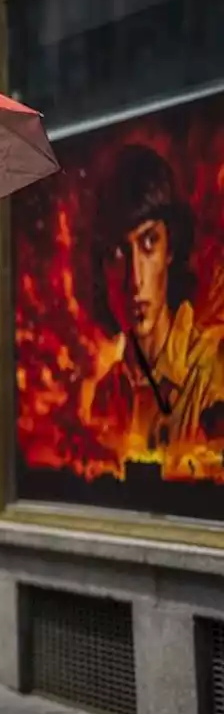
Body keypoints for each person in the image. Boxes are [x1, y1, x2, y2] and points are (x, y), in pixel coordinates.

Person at [88, 145, 224, 476]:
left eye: (149, 243)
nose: (135, 278)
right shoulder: (107, 394)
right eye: (119, 253)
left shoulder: (212, 370)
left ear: (170, 250)